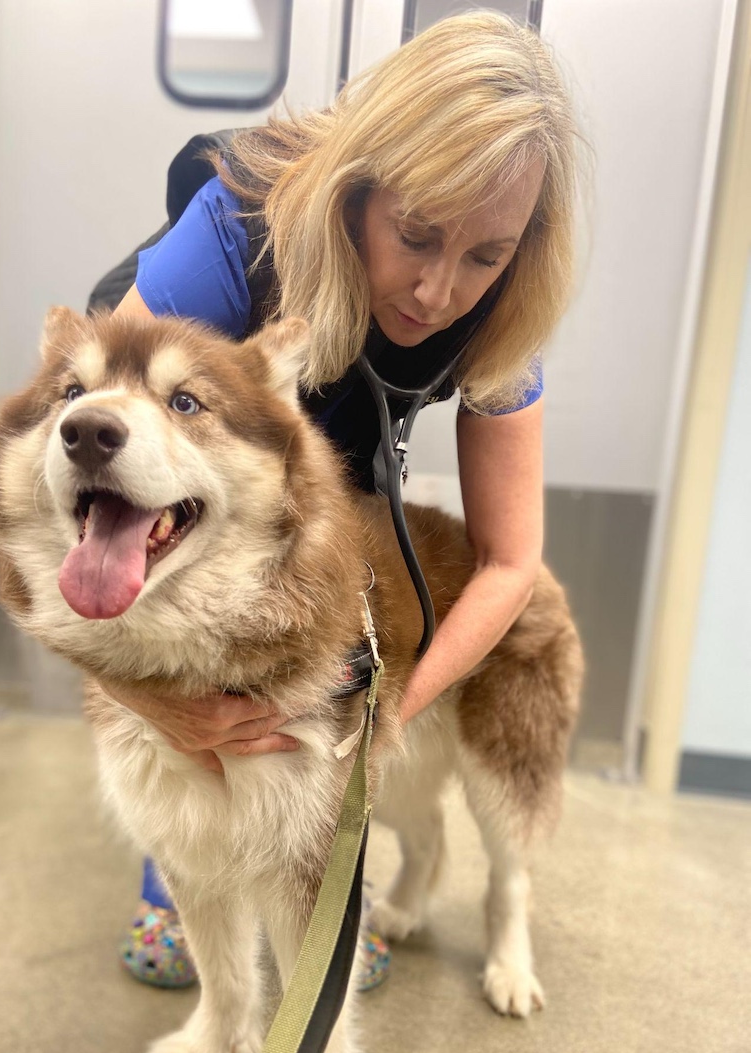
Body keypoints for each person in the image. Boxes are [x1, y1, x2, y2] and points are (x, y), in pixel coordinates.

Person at [105, 10, 579, 990]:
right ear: (362, 183)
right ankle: (179, 864)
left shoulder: (501, 304)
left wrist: (387, 720)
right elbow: (74, 510)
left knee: (314, 611)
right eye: (417, 234)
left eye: (486, 254)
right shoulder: (239, 227)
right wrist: (151, 701)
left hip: (343, 417)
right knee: (193, 579)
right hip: (176, 391)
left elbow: (508, 562)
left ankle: (317, 851)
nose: (441, 290)